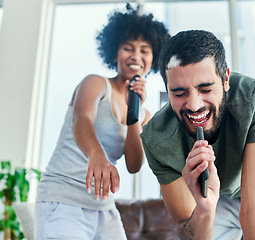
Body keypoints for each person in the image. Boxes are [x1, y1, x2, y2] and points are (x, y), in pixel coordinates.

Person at [140, 30, 255, 240]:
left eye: (206, 89)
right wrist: (204, 209)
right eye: (179, 93)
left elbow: (254, 208)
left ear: (225, 79)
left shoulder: (254, 96)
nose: (194, 105)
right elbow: (187, 231)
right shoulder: (156, 139)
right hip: (220, 197)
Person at [35, 4, 170, 239]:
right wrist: (97, 155)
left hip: (103, 208)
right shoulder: (96, 83)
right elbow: (82, 119)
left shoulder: (144, 114)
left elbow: (133, 165)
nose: (136, 55)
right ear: (115, 53)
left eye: (145, 50)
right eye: (128, 48)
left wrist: (133, 112)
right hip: (62, 199)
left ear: (153, 57)